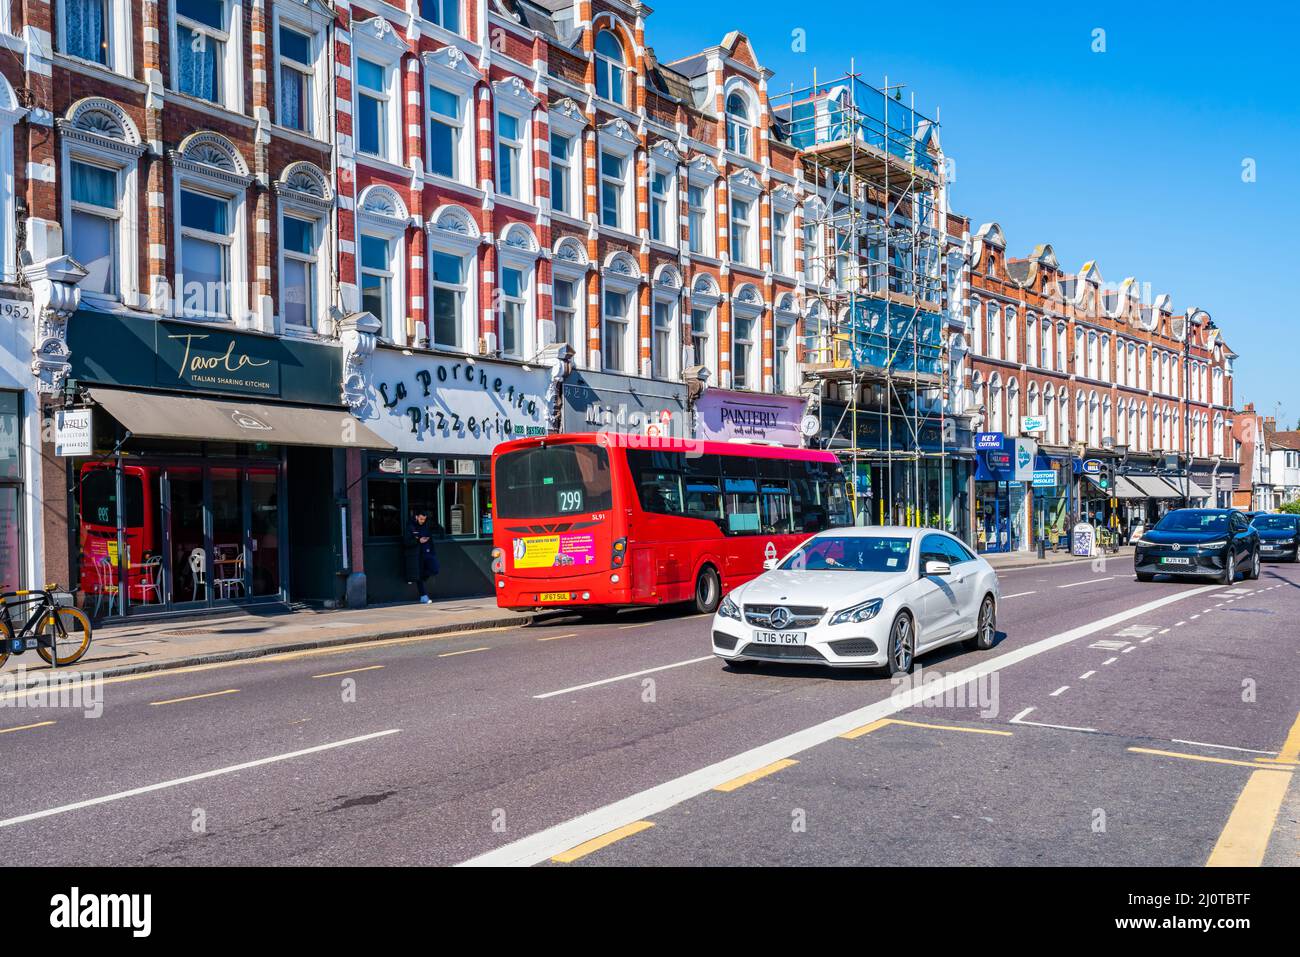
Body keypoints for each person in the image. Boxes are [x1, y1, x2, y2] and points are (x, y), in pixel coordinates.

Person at [406, 509, 440, 604]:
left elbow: (430, 540)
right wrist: (418, 541)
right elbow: (406, 542)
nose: (422, 521)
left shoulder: (426, 526)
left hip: (428, 553)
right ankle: (423, 596)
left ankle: (420, 577)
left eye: (424, 519)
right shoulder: (410, 526)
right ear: (416, 517)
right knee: (419, 574)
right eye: (421, 519)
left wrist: (432, 552)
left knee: (435, 569)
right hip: (417, 555)